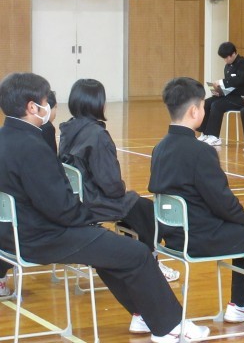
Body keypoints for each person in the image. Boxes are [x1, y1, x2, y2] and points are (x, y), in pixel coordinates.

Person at [0, 72, 209, 342]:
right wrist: (88, 218)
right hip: (41, 237)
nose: (48, 105)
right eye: (44, 100)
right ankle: (170, 327)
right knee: (137, 253)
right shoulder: (32, 146)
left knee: (111, 252)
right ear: (32, 107)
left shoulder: (7, 138)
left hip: (12, 235)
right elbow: (60, 208)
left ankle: (143, 314)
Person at [149, 77, 244, 334]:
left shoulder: (159, 148)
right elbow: (222, 201)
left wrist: (241, 219)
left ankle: (240, 305)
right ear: (194, 111)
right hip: (200, 237)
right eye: (203, 106)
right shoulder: (200, 151)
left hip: (173, 235)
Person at [58, 78, 180, 283]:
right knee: (146, 210)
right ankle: (150, 263)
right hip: (93, 201)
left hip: (75, 198)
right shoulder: (97, 135)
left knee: (135, 206)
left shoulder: (67, 129)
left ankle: (134, 256)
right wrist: (121, 191)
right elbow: (110, 184)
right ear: (97, 103)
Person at [197, 42, 244, 146]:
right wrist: (220, 92)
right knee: (207, 103)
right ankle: (205, 133)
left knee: (217, 105)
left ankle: (214, 136)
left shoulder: (243, 63)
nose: (225, 60)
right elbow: (230, 86)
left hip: (241, 98)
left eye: (227, 57)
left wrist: (222, 82)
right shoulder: (227, 66)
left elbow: (240, 80)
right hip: (229, 95)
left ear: (233, 54)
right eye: (224, 58)